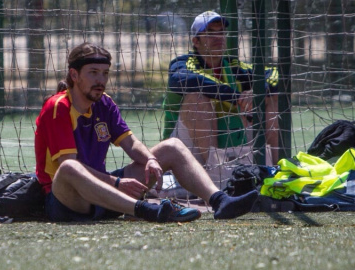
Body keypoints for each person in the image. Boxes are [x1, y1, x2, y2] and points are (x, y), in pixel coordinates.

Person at [34, 42, 258, 223]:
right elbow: (70, 168)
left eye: (104, 73)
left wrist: (151, 159)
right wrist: (118, 183)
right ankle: (146, 210)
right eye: (93, 73)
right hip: (68, 202)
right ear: (74, 75)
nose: (101, 80)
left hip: (108, 196)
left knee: (172, 147)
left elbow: (131, 144)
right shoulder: (58, 107)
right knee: (69, 168)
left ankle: (220, 200)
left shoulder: (105, 104)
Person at [163, 11, 279, 165]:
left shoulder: (234, 66)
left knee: (271, 97)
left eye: (222, 32)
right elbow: (180, 79)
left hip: (231, 137)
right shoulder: (183, 63)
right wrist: (236, 97)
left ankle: (279, 169)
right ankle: (216, 174)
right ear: (196, 41)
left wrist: (257, 93)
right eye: (210, 33)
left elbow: (274, 74)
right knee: (197, 99)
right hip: (186, 146)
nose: (218, 37)